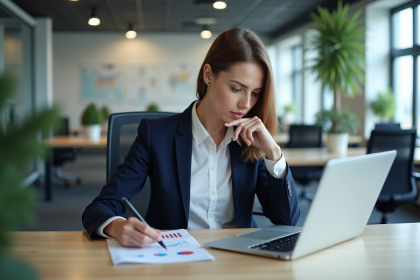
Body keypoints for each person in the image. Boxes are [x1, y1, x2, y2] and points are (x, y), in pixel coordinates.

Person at [82, 28, 300, 248]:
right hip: (176, 256)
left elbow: (287, 220)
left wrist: (273, 152)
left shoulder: (249, 141)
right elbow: (100, 207)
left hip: (240, 254)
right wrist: (118, 227)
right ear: (208, 75)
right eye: (236, 88)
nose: (246, 104)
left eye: (255, 93)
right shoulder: (156, 135)